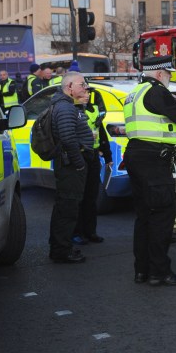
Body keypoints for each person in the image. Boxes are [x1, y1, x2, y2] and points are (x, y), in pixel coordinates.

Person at [123, 55, 176, 286]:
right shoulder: (158, 91)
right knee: (162, 215)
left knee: (144, 217)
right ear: (160, 73)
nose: (170, 78)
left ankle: (142, 270)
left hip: (137, 156)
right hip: (154, 159)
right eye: (169, 74)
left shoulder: (134, 92)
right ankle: (160, 272)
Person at [48, 71, 94, 264]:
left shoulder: (67, 105)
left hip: (69, 163)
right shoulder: (65, 108)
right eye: (82, 85)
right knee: (67, 208)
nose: (85, 88)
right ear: (69, 87)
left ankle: (60, 247)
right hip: (70, 165)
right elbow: (67, 138)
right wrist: (79, 163)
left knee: (65, 206)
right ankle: (61, 251)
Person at [73, 87, 111, 246]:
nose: (87, 96)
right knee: (78, 197)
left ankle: (90, 232)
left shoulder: (94, 109)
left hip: (93, 155)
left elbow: (101, 133)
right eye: (84, 94)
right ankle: (77, 233)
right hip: (79, 155)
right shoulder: (72, 111)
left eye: (88, 93)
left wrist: (107, 154)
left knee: (91, 195)